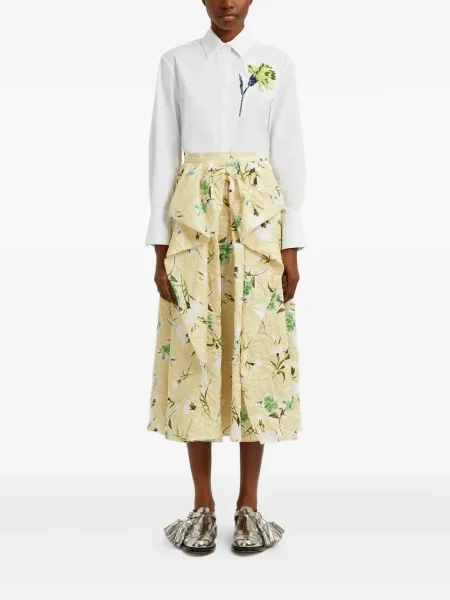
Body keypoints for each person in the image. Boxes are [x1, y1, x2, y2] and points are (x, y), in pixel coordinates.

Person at [145, 0, 306, 554]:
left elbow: (289, 149)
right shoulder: (176, 62)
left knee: (254, 353)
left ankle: (250, 506)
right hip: (194, 224)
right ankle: (202, 505)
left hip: (258, 224)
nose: (227, 3)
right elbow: (163, 151)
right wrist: (160, 244)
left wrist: (291, 242)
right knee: (197, 354)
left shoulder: (275, 62)